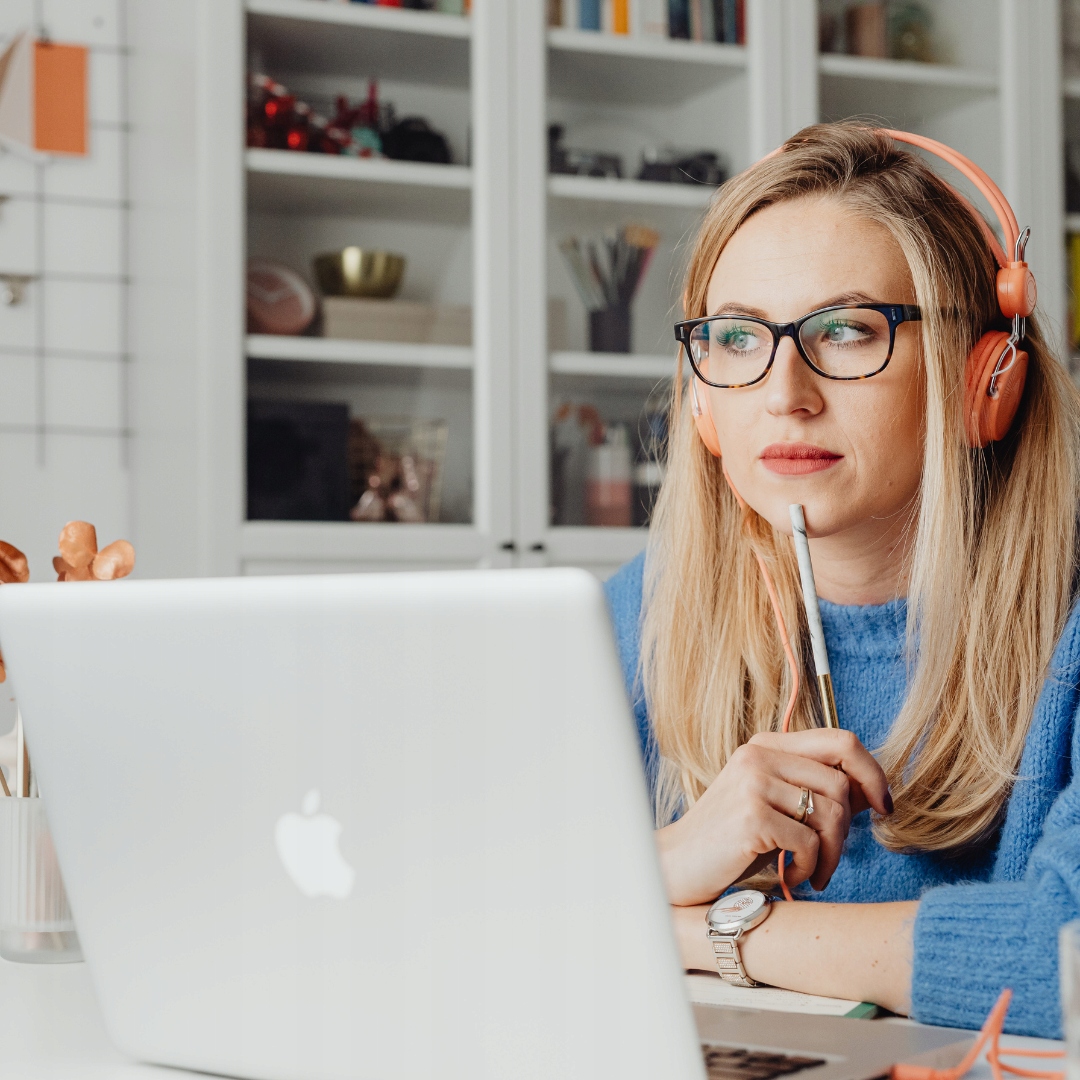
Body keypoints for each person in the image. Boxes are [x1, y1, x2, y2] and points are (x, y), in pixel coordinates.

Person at [604, 121, 1080, 1038]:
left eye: (847, 330)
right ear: (702, 400)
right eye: (739, 339)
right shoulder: (645, 610)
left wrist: (700, 925)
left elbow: (1062, 953)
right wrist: (659, 863)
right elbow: (459, 894)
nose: (785, 392)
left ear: (987, 378)